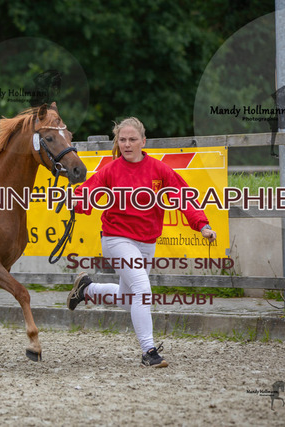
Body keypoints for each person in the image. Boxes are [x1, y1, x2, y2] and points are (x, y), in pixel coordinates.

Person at [66, 117, 217, 368]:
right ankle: (149, 351)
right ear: (118, 142)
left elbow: (184, 196)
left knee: (129, 299)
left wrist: (203, 225)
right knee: (142, 290)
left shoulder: (160, 170)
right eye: (122, 140)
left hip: (147, 243)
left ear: (143, 142)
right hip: (116, 239)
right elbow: (88, 192)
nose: (127, 144)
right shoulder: (111, 170)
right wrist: (76, 200)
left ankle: (87, 290)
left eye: (132, 139)